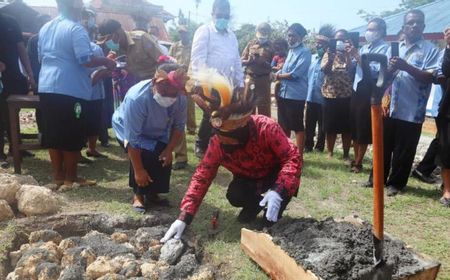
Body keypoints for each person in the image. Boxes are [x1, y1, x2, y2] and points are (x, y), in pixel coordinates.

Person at [160, 73, 302, 242]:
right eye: (221, 139)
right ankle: (254, 205)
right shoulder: (217, 144)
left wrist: (279, 191)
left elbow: (292, 157)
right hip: (248, 179)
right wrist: (184, 216)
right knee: (235, 195)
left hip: (275, 176)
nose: (224, 144)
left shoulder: (266, 127)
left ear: (241, 130)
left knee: (271, 219)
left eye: (229, 141)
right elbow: (202, 177)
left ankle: (274, 202)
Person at [38, 0, 116, 186]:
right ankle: (71, 177)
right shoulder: (75, 29)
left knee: (53, 132)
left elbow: (41, 57)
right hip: (70, 88)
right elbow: (85, 60)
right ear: (75, 5)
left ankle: (57, 175)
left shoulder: (46, 28)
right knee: (72, 132)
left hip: (47, 85)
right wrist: (106, 61)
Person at [368, 10, 440, 196]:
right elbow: (382, 76)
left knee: (404, 150)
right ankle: (376, 179)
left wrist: (405, 66)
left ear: (424, 27)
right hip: (389, 106)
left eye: (418, 23)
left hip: (411, 109)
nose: (414, 26)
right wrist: (391, 69)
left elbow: (430, 77)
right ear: (403, 27)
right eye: (411, 23)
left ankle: (396, 184)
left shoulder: (430, 50)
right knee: (383, 145)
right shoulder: (393, 47)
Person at [112, 64, 188, 213]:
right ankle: (138, 194)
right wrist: (139, 171)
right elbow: (133, 139)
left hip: (158, 130)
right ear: (154, 82)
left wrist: (169, 149)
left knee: (162, 153)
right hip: (128, 129)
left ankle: (153, 193)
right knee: (145, 152)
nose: (168, 97)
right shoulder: (137, 98)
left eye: (173, 94)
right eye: (164, 91)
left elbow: (179, 126)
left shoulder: (181, 98)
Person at [191, 0, 244, 159]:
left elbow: (236, 61)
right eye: (219, 15)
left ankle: (218, 144)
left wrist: (240, 83)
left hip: (227, 85)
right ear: (213, 14)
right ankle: (201, 143)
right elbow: (198, 59)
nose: (223, 18)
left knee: (223, 115)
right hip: (209, 82)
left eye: (226, 16)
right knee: (211, 114)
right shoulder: (204, 31)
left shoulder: (232, 36)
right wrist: (200, 82)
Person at [350, 18, 389, 173]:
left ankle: (359, 162)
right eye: (368, 29)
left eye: (372, 30)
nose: (369, 32)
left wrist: (357, 56)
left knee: (363, 127)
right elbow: (354, 67)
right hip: (356, 88)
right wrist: (350, 56)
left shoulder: (384, 49)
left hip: (369, 89)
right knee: (354, 124)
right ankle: (355, 158)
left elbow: (373, 71)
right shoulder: (365, 47)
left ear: (381, 32)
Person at [0, 12, 36, 167]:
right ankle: (0, 154)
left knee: (22, 113)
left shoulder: (10, 20)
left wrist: (30, 74)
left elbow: (21, 49)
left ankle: (18, 147)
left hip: (14, 75)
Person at [275, 23, 311, 153]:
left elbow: (295, 75)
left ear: (301, 37)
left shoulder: (305, 52)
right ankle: (286, 152)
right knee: (284, 125)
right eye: (288, 35)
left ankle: (299, 155)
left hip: (296, 95)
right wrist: (278, 72)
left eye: (293, 36)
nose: (290, 38)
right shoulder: (290, 51)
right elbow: (285, 69)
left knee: (297, 126)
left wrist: (276, 76)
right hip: (284, 93)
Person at [321, 29, 356, 159]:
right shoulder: (328, 53)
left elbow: (352, 71)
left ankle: (346, 154)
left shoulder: (352, 55)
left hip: (347, 96)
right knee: (330, 127)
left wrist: (348, 55)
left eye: (343, 39)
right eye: (337, 39)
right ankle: (330, 152)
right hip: (330, 95)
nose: (340, 42)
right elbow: (325, 70)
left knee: (347, 128)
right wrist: (330, 58)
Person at [81, 8, 110, 159]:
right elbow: (98, 72)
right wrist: (109, 68)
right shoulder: (94, 48)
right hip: (92, 92)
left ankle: (89, 148)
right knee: (92, 121)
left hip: (77, 91)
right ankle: (90, 148)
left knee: (85, 121)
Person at [98, 19, 163, 82]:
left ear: (118, 33)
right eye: (106, 41)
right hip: (135, 84)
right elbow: (112, 64)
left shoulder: (142, 38)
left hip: (154, 81)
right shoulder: (115, 49)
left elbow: (164, 61)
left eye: (108, 39)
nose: (108, 43)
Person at [304, 25, 335, 153]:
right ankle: (308, 145)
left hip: (324, 97)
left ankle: (320, 146)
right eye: (317, 43)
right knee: (309, 122)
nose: (318, 46)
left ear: (327, 46)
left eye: (321, 44)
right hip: (310, 96)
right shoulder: (311, 58)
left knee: (322, 124)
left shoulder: (332, 60)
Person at [169, 25, 196, 170]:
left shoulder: (193, 46)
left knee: (188, 108)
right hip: (175, 80)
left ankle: (191, 127)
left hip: (188, 79)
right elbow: (169, 60)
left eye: (184, 33)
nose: (182, 35)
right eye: (180, 33)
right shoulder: (174, 46)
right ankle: (179, 156)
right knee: (175, 116)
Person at [241, 22, 274, 117]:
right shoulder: (251, 44)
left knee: (264, 111)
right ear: (257, 31)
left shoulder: (272, 46)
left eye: (265, 32)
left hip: (263, 81)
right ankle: (248, 131)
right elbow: (241, 59)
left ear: (269, 33)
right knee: (248, 108)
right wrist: (248, 61)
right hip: (250, 79)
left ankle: (263, 131)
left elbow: (275, 65)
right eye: (261, 31)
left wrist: (264, 63)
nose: (262, 34)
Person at [438, 27, 450, 207]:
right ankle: (447, 190)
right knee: (447, 150)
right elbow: (445, 71)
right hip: (449, 109)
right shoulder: (445, 54)